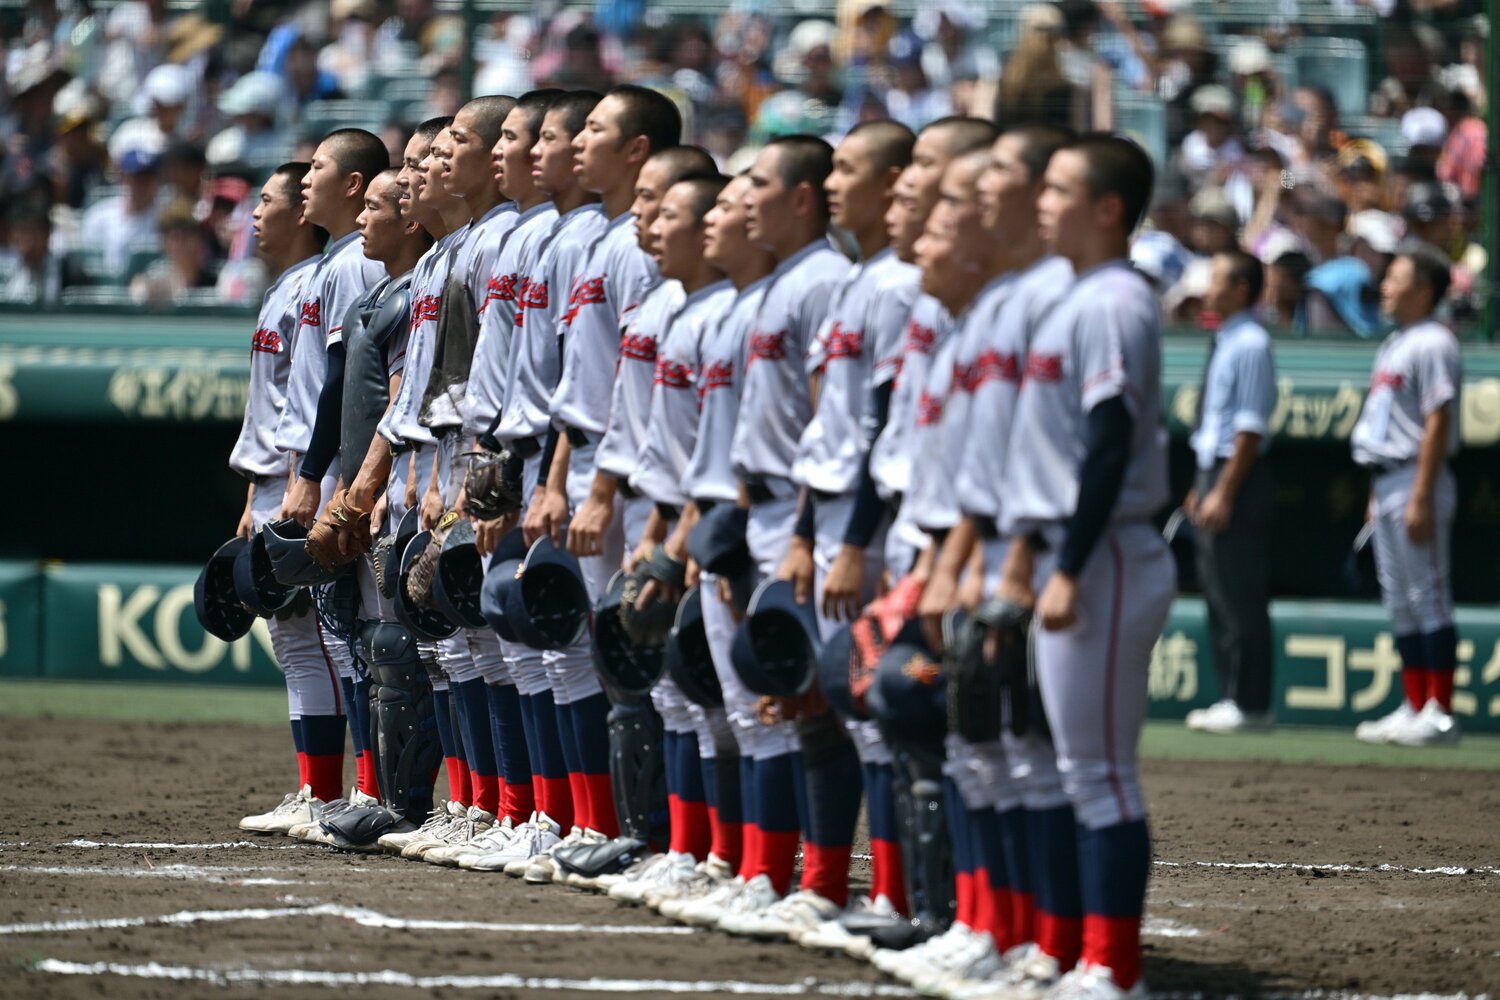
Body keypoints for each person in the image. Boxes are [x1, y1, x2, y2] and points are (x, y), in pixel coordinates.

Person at [728, 120, 918, 944]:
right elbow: (826, 426)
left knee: (871, 709)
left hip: (869, 519)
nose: (837, 181)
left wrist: (844, 538)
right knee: (811, 703)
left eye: (850, 168)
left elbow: (876, 427)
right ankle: (825, 883)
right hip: (817, 511)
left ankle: (900, 899)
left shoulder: (879, 284)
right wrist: (811, 529)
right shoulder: (850, 280)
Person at [996, 134, 1174, 998]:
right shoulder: (1072, 294)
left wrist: (1063, 564)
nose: (1041, 200)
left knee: (1098, 774)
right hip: (1073, 547)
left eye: (1059, 187)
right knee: (1062, 769)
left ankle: (1114, 970)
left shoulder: (1113, 300)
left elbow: (1107, 447)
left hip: (1102, 549)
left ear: (1107, 208)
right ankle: (1066, 953)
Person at [524, 85, 682, 884]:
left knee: (634, 657)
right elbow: (578, 391)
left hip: (630, 477)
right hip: (586, 463)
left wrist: (599, 490)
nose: (576, 140)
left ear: (638, 151)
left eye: (593, 128)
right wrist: (560, 476)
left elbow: (635, 390)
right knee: (580, 653)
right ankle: (595, 825)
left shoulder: (638, 250)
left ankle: (645, 835)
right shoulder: (597, 240)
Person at [713, 134, 849, 928]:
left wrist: (801, 528)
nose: (746, 197)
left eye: (759, 184)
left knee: (812, 708)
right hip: (758, 510)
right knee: (764, 703)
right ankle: (771, 874)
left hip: (800, 518)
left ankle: (822, 884)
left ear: (803, 197)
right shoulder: (777, 282)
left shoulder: (823, 281)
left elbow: (831, 423)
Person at [652, 173, 780, 923]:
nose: (706, 229)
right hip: (712, 514)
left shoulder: (768, 305)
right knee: (707, 696)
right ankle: (719, 859)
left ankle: (765, 871)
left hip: (772, 520)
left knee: (769, 706)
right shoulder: (721, 312)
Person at [232, 163, 342, 833]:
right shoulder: (284, 287)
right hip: (276, 477)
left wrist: (301, 482)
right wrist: (254, 492)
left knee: (324, 638)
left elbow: (310, 400)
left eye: (266, 201)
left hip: (304, 477)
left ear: (301, 213)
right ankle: (314, 789)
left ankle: (331, 792)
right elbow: (272, 403)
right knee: (294, 638)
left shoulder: (317, 283)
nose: (254, 213)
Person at [1350, 246, 1462, 748]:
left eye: (1395, 278)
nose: (1385, 287)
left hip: (1419, 478)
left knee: (1428, 599)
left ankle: (1440, 711)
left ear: (1423, 289)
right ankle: (1414, 705)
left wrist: (1419, 492)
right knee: (1400, 602)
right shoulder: (1396, 342)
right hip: (1388, 479)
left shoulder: (1434, 340)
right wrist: (1378, 492)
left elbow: (1438, 417)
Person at [1183, 250, 1277, 735]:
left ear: (1242, 287)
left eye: (1218, 277)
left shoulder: (1251, 343)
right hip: (1212, 472)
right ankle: (1232, 696)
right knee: (1218, 592)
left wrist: (1223, 489)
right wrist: (1200, 486)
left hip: (1236, 475)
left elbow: (1249, 428)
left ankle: (1251, 702)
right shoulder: (1225, 338)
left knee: (1240, 593)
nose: (1208, 284)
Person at [128, 199, 216, 306]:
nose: (179, 241)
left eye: (186, 232)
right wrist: (145, 291)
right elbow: (137, 290)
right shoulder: (156, 276)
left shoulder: (214, 280)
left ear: (199, 239)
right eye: (171, 233)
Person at [0, 204, 62, 305]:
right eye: (19, 233)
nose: (23, 240)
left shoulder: (69, 270)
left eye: (29, 232)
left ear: (46, 234)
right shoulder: (11, 271)